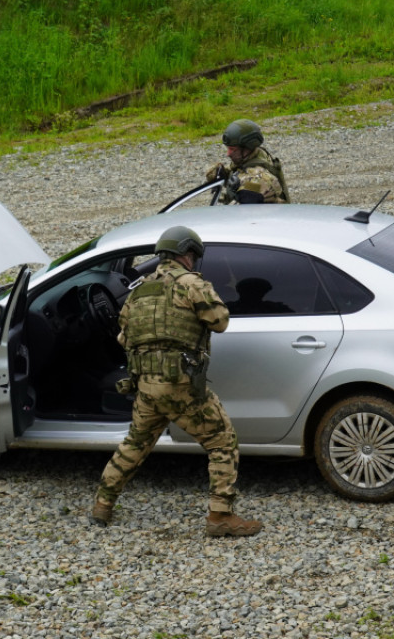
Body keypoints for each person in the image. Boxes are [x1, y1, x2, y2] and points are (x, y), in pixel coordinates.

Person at [90, 226, 262, 537]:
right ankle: (220, 516)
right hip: (181, 386)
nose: (194, 262)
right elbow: (220, 321)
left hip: (146, 387)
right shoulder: (191, 284)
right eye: (193, 256)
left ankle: (102, 505)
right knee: (222, 441)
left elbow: (124, 336)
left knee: (134, 444)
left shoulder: (138, 291)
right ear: (186, 254)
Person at [207, 119, 290, 205]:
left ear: (247, 147)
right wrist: (220, 172)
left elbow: (236, 210)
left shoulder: (258, 181)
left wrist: (239, 192)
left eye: (232, 149)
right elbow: (234, 170)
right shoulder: (256, 154)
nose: (228, 154)